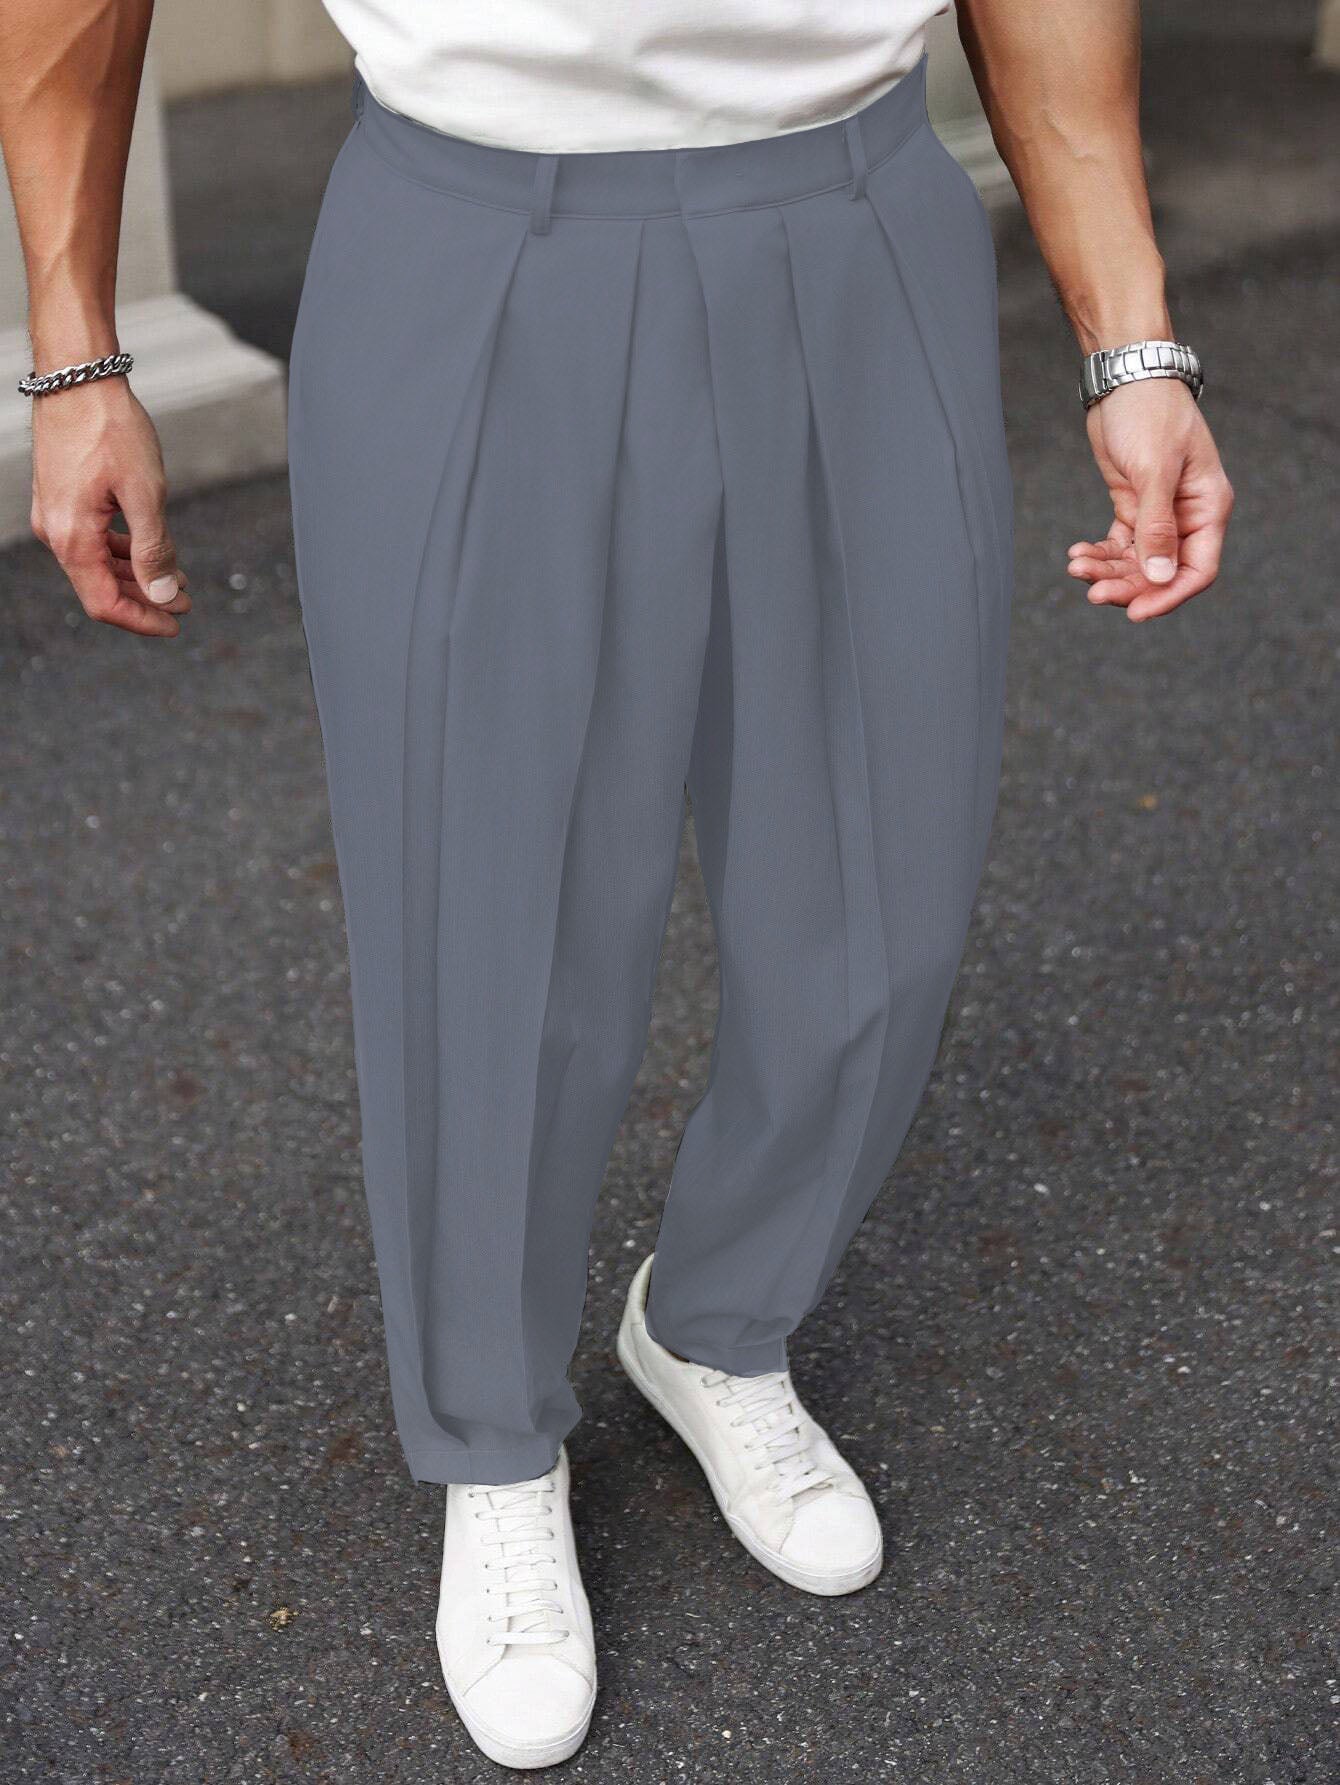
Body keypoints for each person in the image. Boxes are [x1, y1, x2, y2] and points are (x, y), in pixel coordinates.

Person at [0, 0, 1232, 1769]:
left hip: (859, 219)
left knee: (880, 903)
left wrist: (1134, 340)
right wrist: (73, 353)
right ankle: (495, 1438)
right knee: (484, 920)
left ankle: (719, 1318)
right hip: (477, 236)